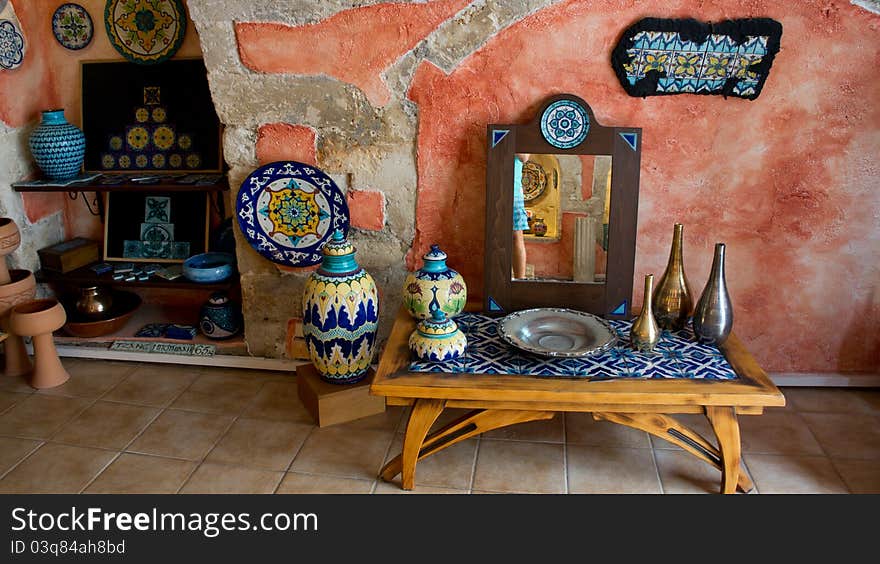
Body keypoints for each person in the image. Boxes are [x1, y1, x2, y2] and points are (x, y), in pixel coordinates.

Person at [512, 153, 530, 279]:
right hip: (495, 186)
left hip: (514, 192)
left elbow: (524, 157)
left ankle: (519, 280)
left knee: (516, 236)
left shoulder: (520, 133)